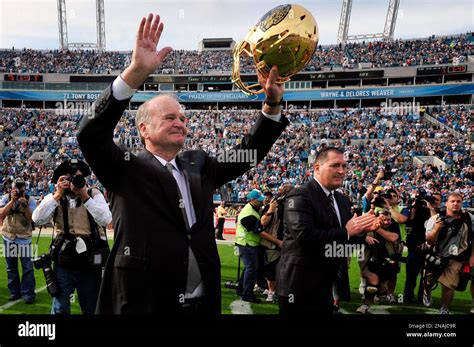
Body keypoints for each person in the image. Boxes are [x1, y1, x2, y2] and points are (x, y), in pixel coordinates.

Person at [77, 14, 288, 314]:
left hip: (201, 303)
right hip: (146, 303)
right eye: (170, 118)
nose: (180, 123)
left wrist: (272, 106)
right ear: (144, 130)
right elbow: (90, 134)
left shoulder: (199, 164)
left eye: (183, 118)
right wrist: (135, 74)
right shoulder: (126, 169)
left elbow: (248, 153)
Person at [277, 147, 376, 315]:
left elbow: (343, 242)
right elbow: (305, 237)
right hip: (299, 285)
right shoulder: (300, 195)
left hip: (327, 284)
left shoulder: (342, 200)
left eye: (344, 166)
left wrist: (361, 231)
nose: (341, 171)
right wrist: (346, 232)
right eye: (335, 165)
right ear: (317, 168)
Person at [32, 159, 112, 314]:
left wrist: (84, 196)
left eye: (78, 178)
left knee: (91, 307)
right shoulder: (55, 196)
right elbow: (37, 219)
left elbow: (106, 220)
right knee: (60, 307)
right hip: (64, 262)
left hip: (89, 263)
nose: (74, 181)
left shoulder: (93, 193)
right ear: (61, 180)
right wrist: (58, 194)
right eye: (69, 178)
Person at [423, 192, 473, 314]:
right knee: (429, 282)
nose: (455, 204)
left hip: (456, 258)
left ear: (461, 203)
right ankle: (427, 292)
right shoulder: (435, 218)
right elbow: (429, 240)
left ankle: (444, 308)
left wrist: (472, 256)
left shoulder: (469, 218)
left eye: (458, 201)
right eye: (452, 201)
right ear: (447, 203)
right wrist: (436, 229)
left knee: (449, 286)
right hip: (436, 256)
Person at [356, 209, 400, 314]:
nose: (386, 222)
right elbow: (355, 234)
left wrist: (377, 228)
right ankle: (365, 305)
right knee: (373, 282)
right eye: (383, 219)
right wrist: (365, 237)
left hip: (387, 259)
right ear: (376, 217)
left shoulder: (394, 225)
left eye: (388, 220)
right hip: (369, 257)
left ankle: (382, 293)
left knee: (380, 288)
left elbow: (393, 238)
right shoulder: (367, 223)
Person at [0, 178, 37, 304]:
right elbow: (1, 214)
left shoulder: (30, 199)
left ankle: (28, 293)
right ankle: (14, 292)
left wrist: (25, 206)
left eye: (21, 187)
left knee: (27, 268)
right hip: (8, 236)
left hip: (24, 237)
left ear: (25, 188)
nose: (19, 190)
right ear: (12, 187)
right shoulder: (6, 198)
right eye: (16, 187)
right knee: (11, 268)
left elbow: (32, 219)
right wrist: (12, 201)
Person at [260, 184, 292, 303]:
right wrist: (270, 210)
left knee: (285, 269)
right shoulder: (272, 206)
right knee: (271, 269)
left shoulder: (293, 207)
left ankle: (277, 291)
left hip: (288, 243)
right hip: (273, 244)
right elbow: (261, 226)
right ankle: (271, 292)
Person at [235, 189, 266, 303]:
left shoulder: (252, 209)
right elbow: (259, 231)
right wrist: (277, 241)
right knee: (251, 268)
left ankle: (241, 290)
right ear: (252, 200)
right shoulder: (248, 213)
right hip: (246, 243)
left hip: (246, 243)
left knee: (249, 268)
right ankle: (247, 294)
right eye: (259, 200)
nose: (261, 202)